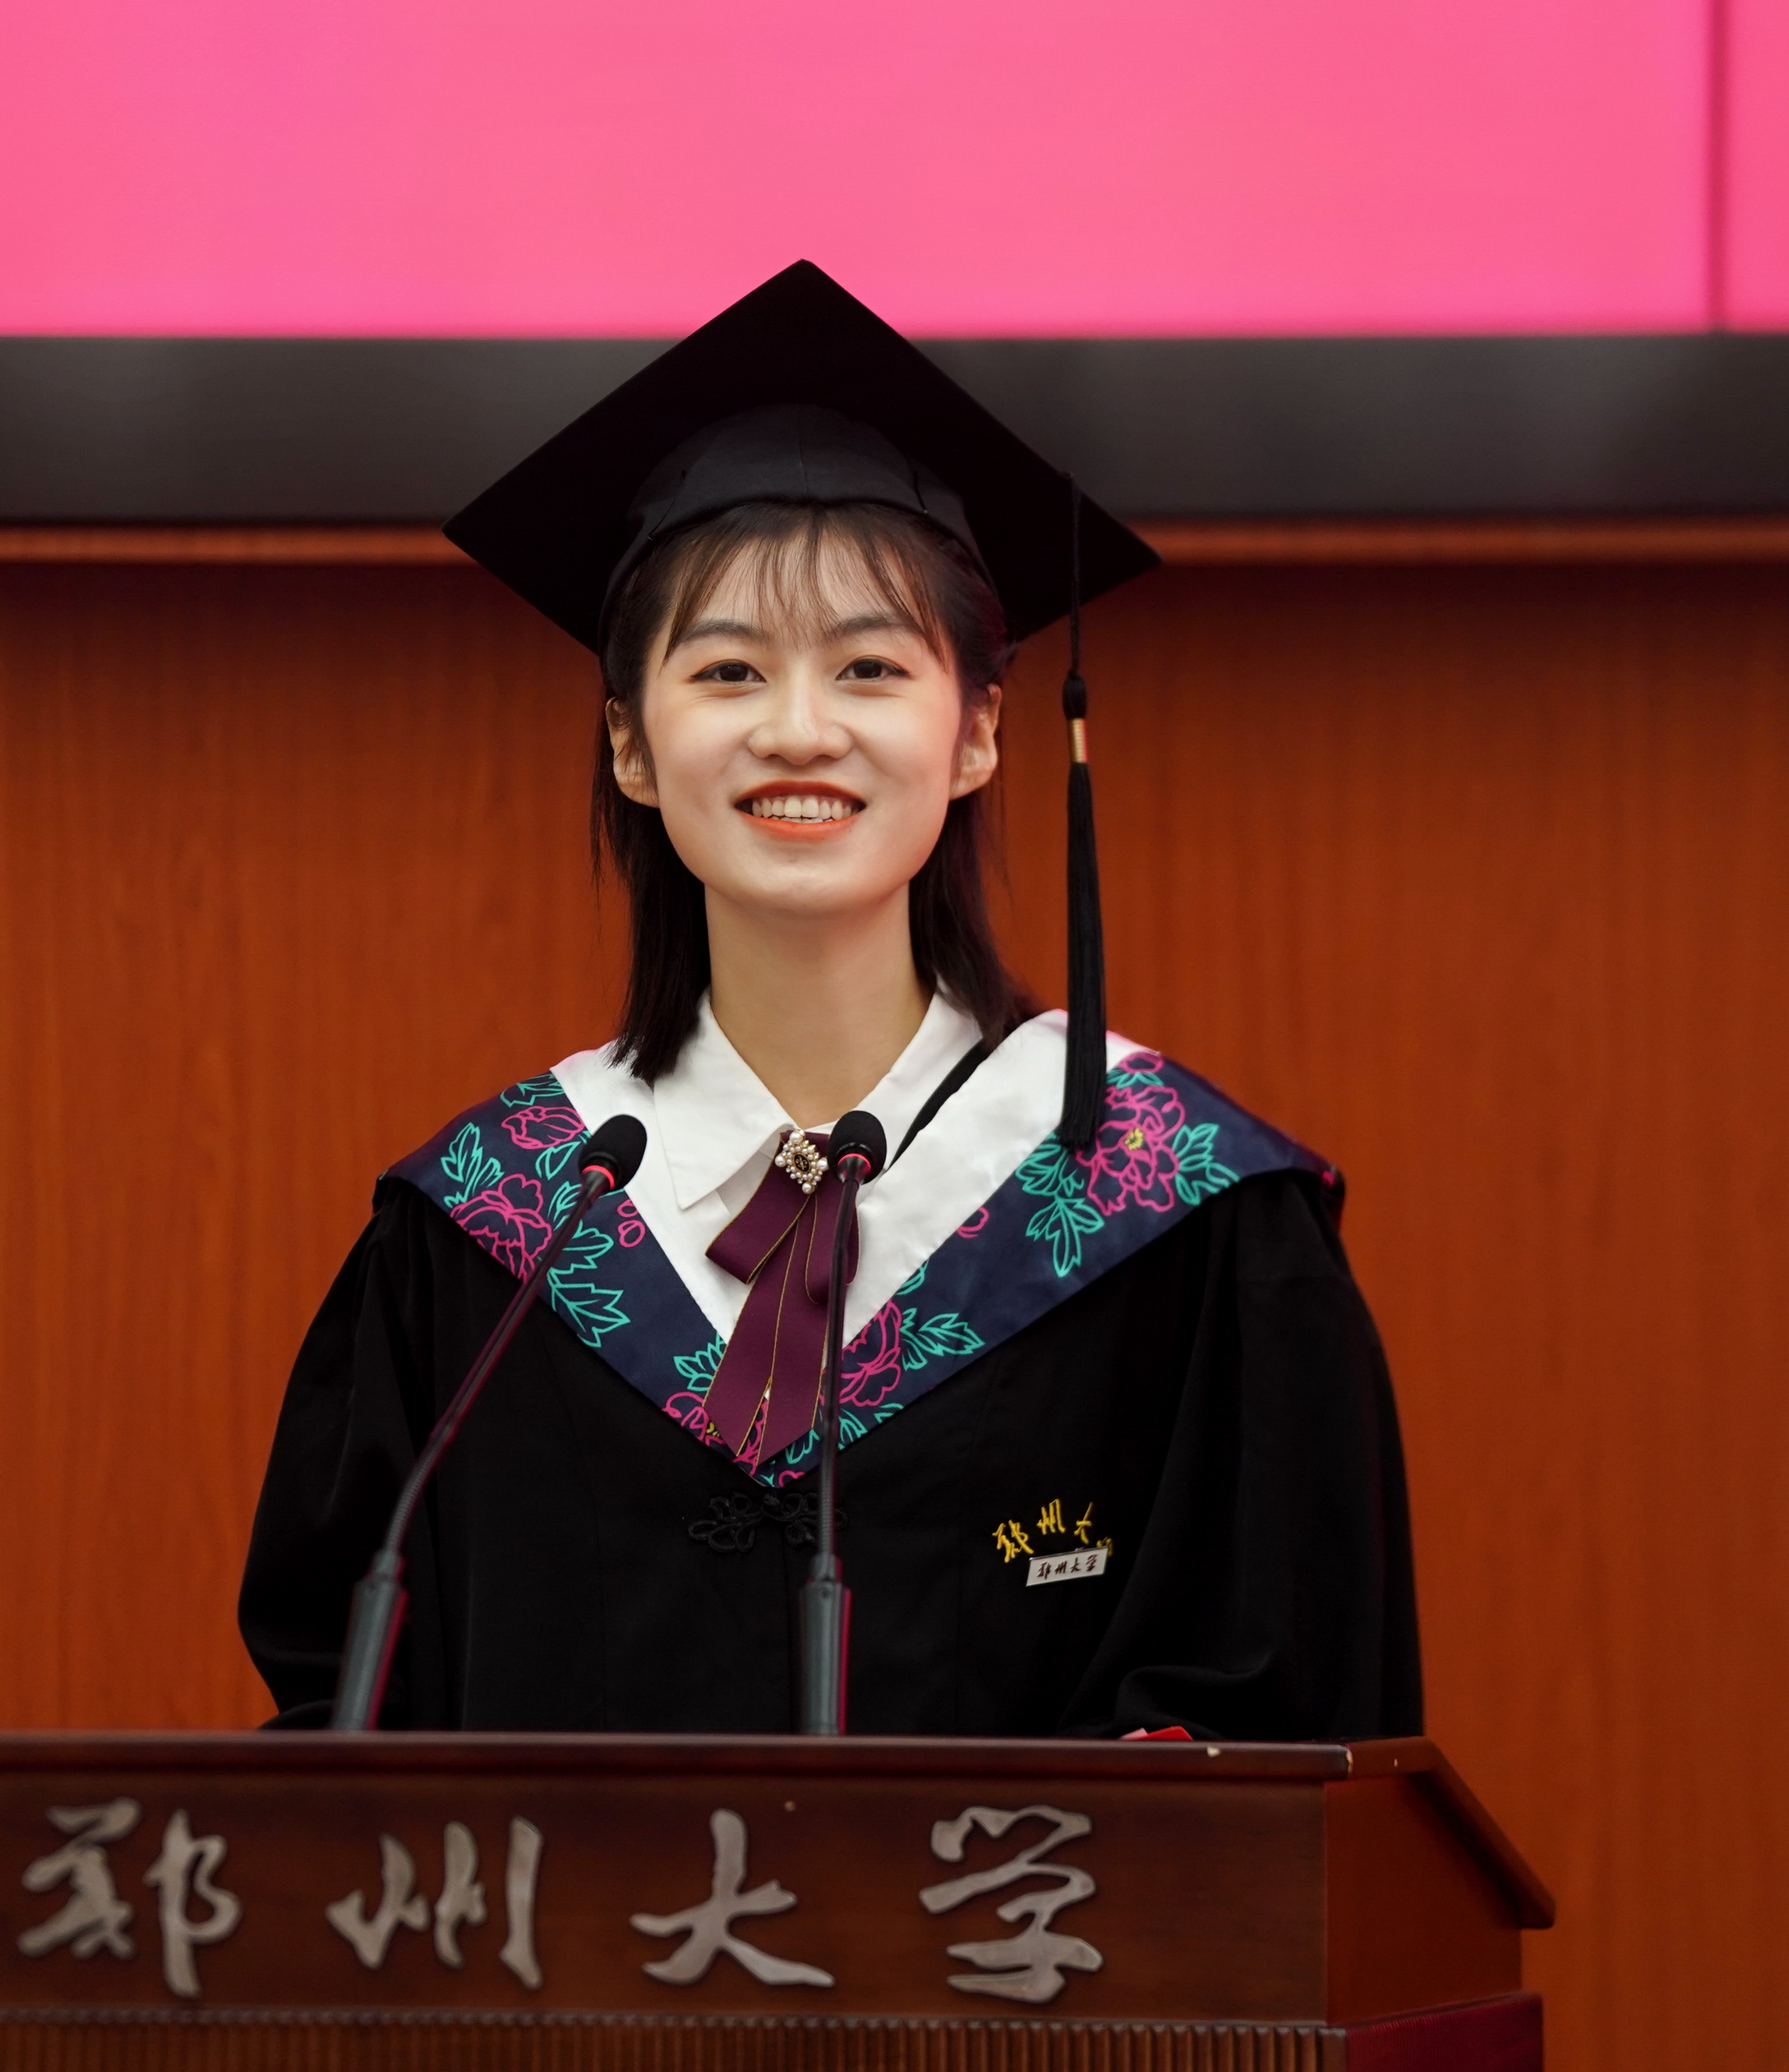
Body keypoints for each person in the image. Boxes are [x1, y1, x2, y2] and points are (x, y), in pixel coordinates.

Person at [239, 264, 1419, 1740]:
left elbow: (1302, 1748)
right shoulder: (491, 1243)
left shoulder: (1184, 1221)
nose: (800, 730)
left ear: (977, 732)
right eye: (728, 671)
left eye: (869, 667)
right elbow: (345, 1731)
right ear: (630, 746)